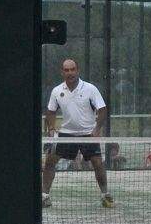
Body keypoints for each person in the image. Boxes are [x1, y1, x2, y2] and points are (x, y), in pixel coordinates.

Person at [41, 59, 113, 209]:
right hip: (66, 135)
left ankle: (105, 195)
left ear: (77, 71)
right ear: (62, 72)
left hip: (88, 134)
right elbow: (50, 111)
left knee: (98, 163)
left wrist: (97, 129)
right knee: (49, 162)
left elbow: (102, 109)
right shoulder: (56, 91)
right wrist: (51, 128)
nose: (70, 73)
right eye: (66, 70)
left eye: (72, 69)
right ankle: (44, 196)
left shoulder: (90, 89)